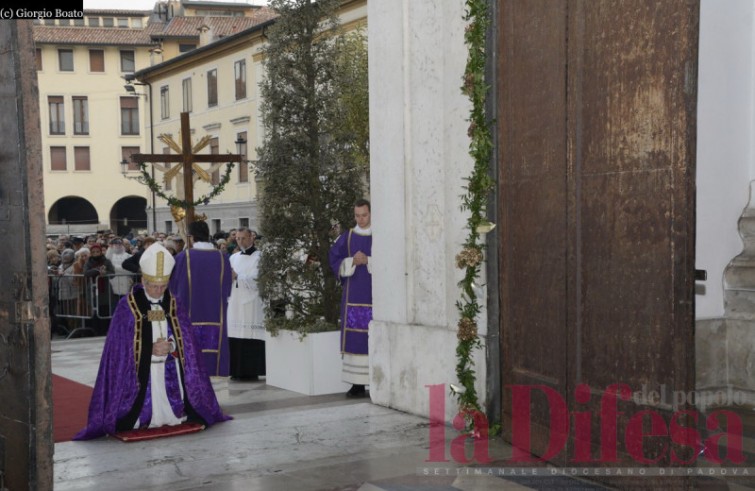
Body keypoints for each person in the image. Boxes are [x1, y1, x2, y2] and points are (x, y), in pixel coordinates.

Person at [74, 243, 230, 440]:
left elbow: (187, 339)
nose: (158, 291)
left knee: (177, 402)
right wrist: (149, 349)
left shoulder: (174, 303)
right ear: (144, 281)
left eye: (163, 286)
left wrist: (172, 346)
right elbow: (119, 347)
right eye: (154, 286)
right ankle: (139, 417)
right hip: (140, 371)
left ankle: (175, 413)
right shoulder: (128, 306)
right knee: (137, 410)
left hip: (169, 365)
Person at [169, 220, 233, 377]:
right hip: (215, 313)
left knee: (190, 356)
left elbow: (174, 287)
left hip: (189, 314)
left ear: (191, 237)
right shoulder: (222, 257)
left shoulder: (184, 257)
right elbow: (227, 287)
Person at [328, 199, 373, 398]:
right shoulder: (346, 238)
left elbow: (393, 259)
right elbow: (333, 259)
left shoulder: (381, 235)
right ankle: (357, 383)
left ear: (371, 213)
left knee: (373, 338)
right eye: (357, 215)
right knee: (356, 337)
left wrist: (369, 260)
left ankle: (376, 380)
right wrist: (350, 261)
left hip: (376, 296)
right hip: (353, 295)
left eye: (364, 215)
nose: (361, 219)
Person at [227, 228, 265, 380]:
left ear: (252, 238)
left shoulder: (260, 257)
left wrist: (237, 276)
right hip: (235, 302)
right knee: (235, 336)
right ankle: (236, 370)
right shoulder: (233, 257)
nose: (240, 241)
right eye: (237, 238)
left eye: (243, 238)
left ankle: (251, 371)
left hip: (251, 302)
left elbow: (259, 280)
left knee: (250, 338)